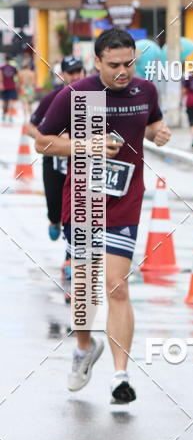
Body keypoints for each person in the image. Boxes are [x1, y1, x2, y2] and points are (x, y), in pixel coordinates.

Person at [36, 29, 171, 404]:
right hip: (83, 201)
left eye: (129, 63)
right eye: (114, 65)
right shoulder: (78, 94)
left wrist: (159, 133)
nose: (123, 71)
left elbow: (152, 123)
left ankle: (120, 375)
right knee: (84, 289)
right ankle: (84, 347)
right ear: (97, 62)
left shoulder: (145, 91)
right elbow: (43, 141)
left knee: (117, 286)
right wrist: (85, 145)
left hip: (125, 201)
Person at [26, 57, 84, 262]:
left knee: (78, 210)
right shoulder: (53, 98)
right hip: (53, 161)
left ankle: (71, 258)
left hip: (81, 163)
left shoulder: (93, 96)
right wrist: (52, 139)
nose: (76, 76)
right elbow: (31, 127)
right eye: (71, 72)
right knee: (55, 207)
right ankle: (54, 220)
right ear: (63, 75)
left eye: (79, 71)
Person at [0, 57, 18, 122]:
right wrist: (16, 84)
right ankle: (10, 116)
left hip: (5, 86)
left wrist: (1, 84)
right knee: (11, 102)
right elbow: (16, 77)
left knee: (5, 101)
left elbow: (1, 76)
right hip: (12, 86)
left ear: (5, 60)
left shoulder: (2, 68)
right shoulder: (13, 68)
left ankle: (4, 115)